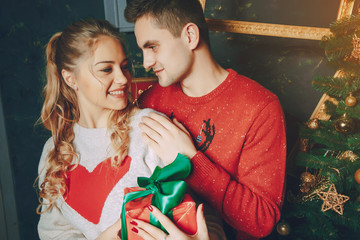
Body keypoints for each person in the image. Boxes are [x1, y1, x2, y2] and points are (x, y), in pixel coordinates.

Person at [36, 18, 219, 240]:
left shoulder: (150, 129)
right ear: (70, 78)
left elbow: (207, 215)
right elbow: (56, 233)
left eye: (124, 66)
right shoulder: (54, 152)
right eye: (106, 69)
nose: (123, 79)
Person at [124, 0, 287, 239]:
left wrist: (190, 160)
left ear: (190, 35)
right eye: (142, 50)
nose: (146, 62)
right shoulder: (149, 101)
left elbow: (261, 220)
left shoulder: (260, 108)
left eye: (153, 47)